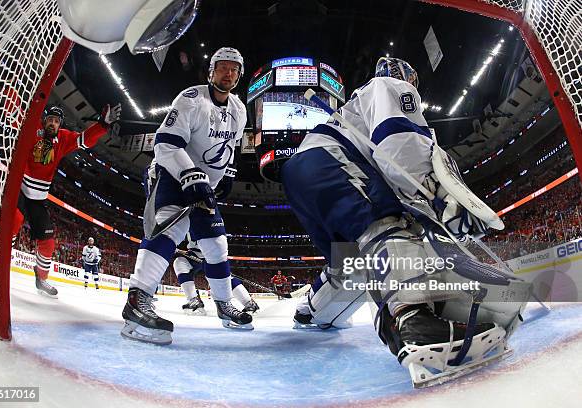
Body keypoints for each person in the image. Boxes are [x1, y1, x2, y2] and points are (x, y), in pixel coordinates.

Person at [281, 57, 529, 385]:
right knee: (387, 226)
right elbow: (398, 139)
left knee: (350, 264)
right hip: (330, 160)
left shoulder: (356, 107)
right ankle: (414, 321)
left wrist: (310, 313)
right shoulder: (392, 86)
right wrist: (437, 198)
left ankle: (313, 310)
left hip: (302, 175)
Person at [121, 47, 251, 345]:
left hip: (203, 185)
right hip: (173, 173)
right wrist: (190, 175)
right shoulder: (191, 99)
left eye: (234, 69)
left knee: (217, 245)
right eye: (222, 67)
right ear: (211, 71)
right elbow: (165, 144)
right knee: (170, 227)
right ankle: (136, 302)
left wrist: (227, 173)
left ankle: (223, 304)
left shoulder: (240, 110)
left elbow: (229, 148)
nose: (228, 73)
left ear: (239, 76)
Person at [11, 104, 121, 297]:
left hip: (38, 200)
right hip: (19, 191)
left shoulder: (63, 138)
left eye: (56, 121)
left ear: (59, 124)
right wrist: (11, 85)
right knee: (12, 224)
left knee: (48, 243)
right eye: (50, 120)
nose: (52, 123)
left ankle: (41, 278)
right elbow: (14, 112)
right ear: (44, 121)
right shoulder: (33, 128)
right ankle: (1, 257)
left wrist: (103, 124)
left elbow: (83, 141)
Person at [174, 240, 259, 315]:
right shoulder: (186, 221)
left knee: (223, 279)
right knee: (180, 263)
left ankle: (249, 303)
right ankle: (194, 301)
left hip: (213, 253)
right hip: (194, 254)